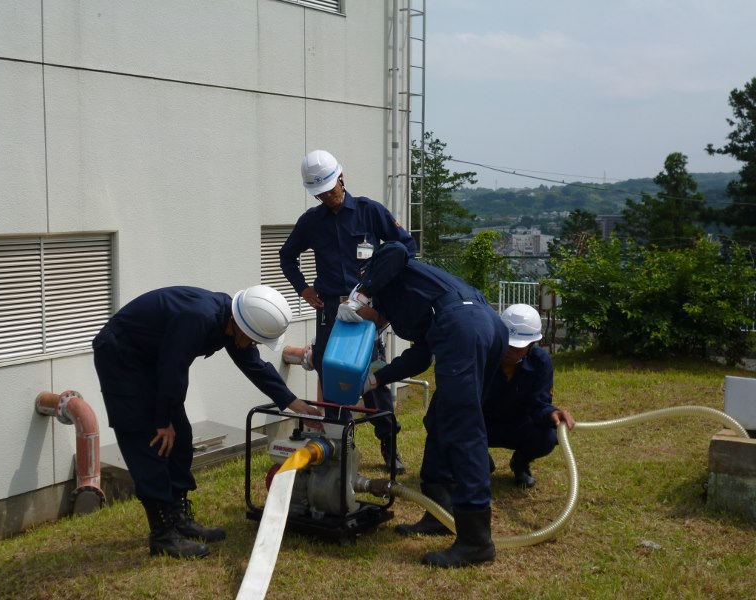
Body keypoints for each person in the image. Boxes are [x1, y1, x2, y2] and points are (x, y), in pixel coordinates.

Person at [92, 285, 321, 559]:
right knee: (150, 441)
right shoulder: (198, 318)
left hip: (155, 362)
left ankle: (179, 519)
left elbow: (253, 365)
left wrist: (291, 402)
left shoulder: (232, 320)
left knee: (181, 439)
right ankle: (163, 535)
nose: (255, 345)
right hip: (122, 358)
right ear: (242, 327)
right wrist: (162, 421)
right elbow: (173, 366)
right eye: (255, 340)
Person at [337, 241, 507, 568]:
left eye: (364, 320)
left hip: (463, 325)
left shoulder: (384, 274)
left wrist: (358, 296)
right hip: (482, 324)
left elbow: (398, 250)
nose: (369, 326)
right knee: (441, 419)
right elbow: (420, 355)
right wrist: (376, 379)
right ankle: (438, 512)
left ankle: (476, 541)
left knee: (463, 427)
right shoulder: (409, 306)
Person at [279, 149, 418, 474]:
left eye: (331, 188)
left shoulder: (369, 212)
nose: (328, 196)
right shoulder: (311, 222)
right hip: (330, 309)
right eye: (321, 193)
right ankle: (338, 446)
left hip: (365, 311)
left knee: (373, 378)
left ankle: (389, 444)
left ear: (341, 177)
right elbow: (287, 256)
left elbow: (406, 247)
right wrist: (303, 289)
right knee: (333, 376)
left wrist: (385, 288)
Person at [485, 303, 575, 489]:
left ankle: (520, 463)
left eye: (518, 347)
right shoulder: (483, 355)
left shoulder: (540, 362)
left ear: (532, 344)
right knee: (444, 421)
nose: (510, 351)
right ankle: (479, 462)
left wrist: (552, 413)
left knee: (548, 436)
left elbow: (539, 403)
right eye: (507, 344)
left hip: (519, 425)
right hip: (482, 425)